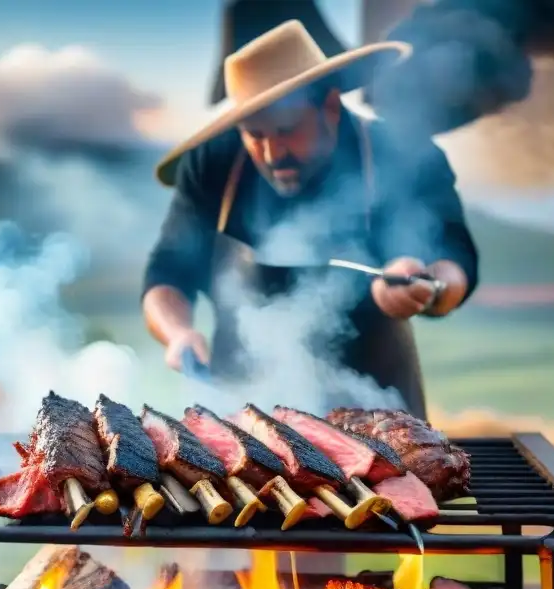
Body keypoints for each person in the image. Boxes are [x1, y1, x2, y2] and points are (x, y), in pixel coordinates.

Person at [141, 21, 479, 421]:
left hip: (380, 415)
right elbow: (167, 274)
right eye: (255, 135)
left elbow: (454, 260)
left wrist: (429, 286)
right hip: (245, 413)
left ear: (331, 107)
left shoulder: (402, 154)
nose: (270, 153)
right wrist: (178, 332)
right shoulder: (213, 162)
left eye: (286, 131)